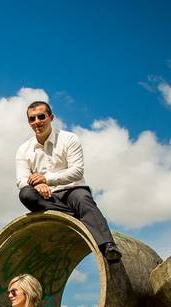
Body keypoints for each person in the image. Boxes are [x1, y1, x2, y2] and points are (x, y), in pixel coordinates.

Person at [16, 101, 122, 262]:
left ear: (51, 117)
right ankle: (75, 217)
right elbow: (22, 179)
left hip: (73, 190)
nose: (37, 121)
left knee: (83, 199)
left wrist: (46, 179)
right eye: (32, 119)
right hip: (47, 198)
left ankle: (108, 246)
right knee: (26, 194)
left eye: (41, 116)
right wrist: (37, 185)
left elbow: (77, 171)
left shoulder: (69, 139)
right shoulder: (24, 149)